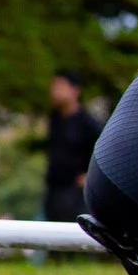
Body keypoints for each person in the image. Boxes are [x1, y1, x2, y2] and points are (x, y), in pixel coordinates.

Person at [44, 70, 102, 226]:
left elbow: (101, 151)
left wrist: (88, 176)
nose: (54, 91)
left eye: (60, 86)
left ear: (75, 90)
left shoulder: (87, 123)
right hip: (54, 189)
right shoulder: (55, 119)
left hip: (76, 193)